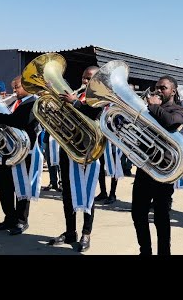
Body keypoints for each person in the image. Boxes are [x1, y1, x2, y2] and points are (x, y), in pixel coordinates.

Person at [47, 66, 102, 252]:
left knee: (87, 193)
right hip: (68, 148)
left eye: (89, 78)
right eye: (83, 78)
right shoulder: (75, 95)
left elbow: (94, 116)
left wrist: (76, 103)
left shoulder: (100, 98)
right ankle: (71, 231)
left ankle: (86, 233)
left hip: (87, 151)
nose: (85, 81)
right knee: (67, 193)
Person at [131, 75, 183, 255]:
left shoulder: (178, 109)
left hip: (163, 169)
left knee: (161, 217)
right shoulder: (148, 109)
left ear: (173, 90)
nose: (159, 91)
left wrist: (154, 106)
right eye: (157, 88)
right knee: (137, 213)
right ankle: (144, 251)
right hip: (145, 166)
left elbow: (172, 123)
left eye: (163, 88)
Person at [0, 76, 42, 235]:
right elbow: (6, 122)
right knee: (3, 184)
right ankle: (9, 217)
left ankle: (21, 221)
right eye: (14, 87)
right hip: (7, 150)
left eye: (17, 87)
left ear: (28, 86)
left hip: (24, 151)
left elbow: (19, 121)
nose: (14, 91)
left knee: (22, 186)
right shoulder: (15, 103)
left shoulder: (33, 103)